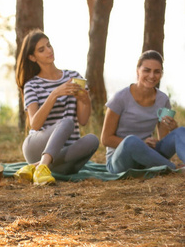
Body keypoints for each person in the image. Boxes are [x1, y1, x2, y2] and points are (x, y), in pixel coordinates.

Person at [15, 29, 99, 185]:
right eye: (42, 49)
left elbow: (83, 120)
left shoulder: (73, 77)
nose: (49, 50)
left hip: (65, 150)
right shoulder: (31, 85)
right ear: (32, 57)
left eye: (49, 45)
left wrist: (85, 100)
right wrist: (54, 95)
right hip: (37, 145)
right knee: (66, 122)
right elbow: (35, 124)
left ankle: (38, 167)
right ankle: (43, 166)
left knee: (93, 140)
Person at [101, 50, 185, 173]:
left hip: (149, 156)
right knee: (131, 140)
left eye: (157, 72)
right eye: (147, 70)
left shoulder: (163, 100)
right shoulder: (119, 98)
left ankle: (165, 166)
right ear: (137, 71)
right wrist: (140, 143)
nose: (152, 76)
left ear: (161, 74)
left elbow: (163, 139)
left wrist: (172, 129)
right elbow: (106, 139)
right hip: (120, 161)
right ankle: (173, 170)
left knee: (180, 131)